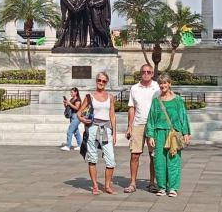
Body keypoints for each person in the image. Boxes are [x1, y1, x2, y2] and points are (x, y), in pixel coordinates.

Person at [146, 73, 191, 198]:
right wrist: (150, 136)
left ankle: (173, 187)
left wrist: (186, 133)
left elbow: (183, 116)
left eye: (165, 83)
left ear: (169, 84)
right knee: (159, 160)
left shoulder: (178, 100)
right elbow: (151, 119)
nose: (163, 85)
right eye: (160, 83)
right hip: (159, 132)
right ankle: (162, 187)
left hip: (173, 133)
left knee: (173, 160)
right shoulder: (156, 101)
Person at [125, 63, 160, 194]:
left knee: (153, 155)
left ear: (152, 74)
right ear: (140, 73)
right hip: (138, 124)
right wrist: (129, 126)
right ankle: (133, 183)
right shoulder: (134, 88)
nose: (146, 74)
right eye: (143, 72)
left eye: (148, 72)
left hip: (153, 125)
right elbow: (131, 108)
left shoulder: (157, 87)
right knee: (134, 155)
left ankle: (152, 183)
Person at [80, 72, 117, 195]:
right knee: (92, 157)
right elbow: (79, 112)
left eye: (103, 81)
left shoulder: (110, 97)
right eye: (99, 80)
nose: (101, 83)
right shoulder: (90, 96)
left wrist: (114, 133)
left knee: (110, 158)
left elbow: (112, 115)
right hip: (93, 127)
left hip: (106, 128)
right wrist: (82, 119)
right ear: (96, 81)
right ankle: (95, 186)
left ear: (106, 83)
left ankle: (107, 186)